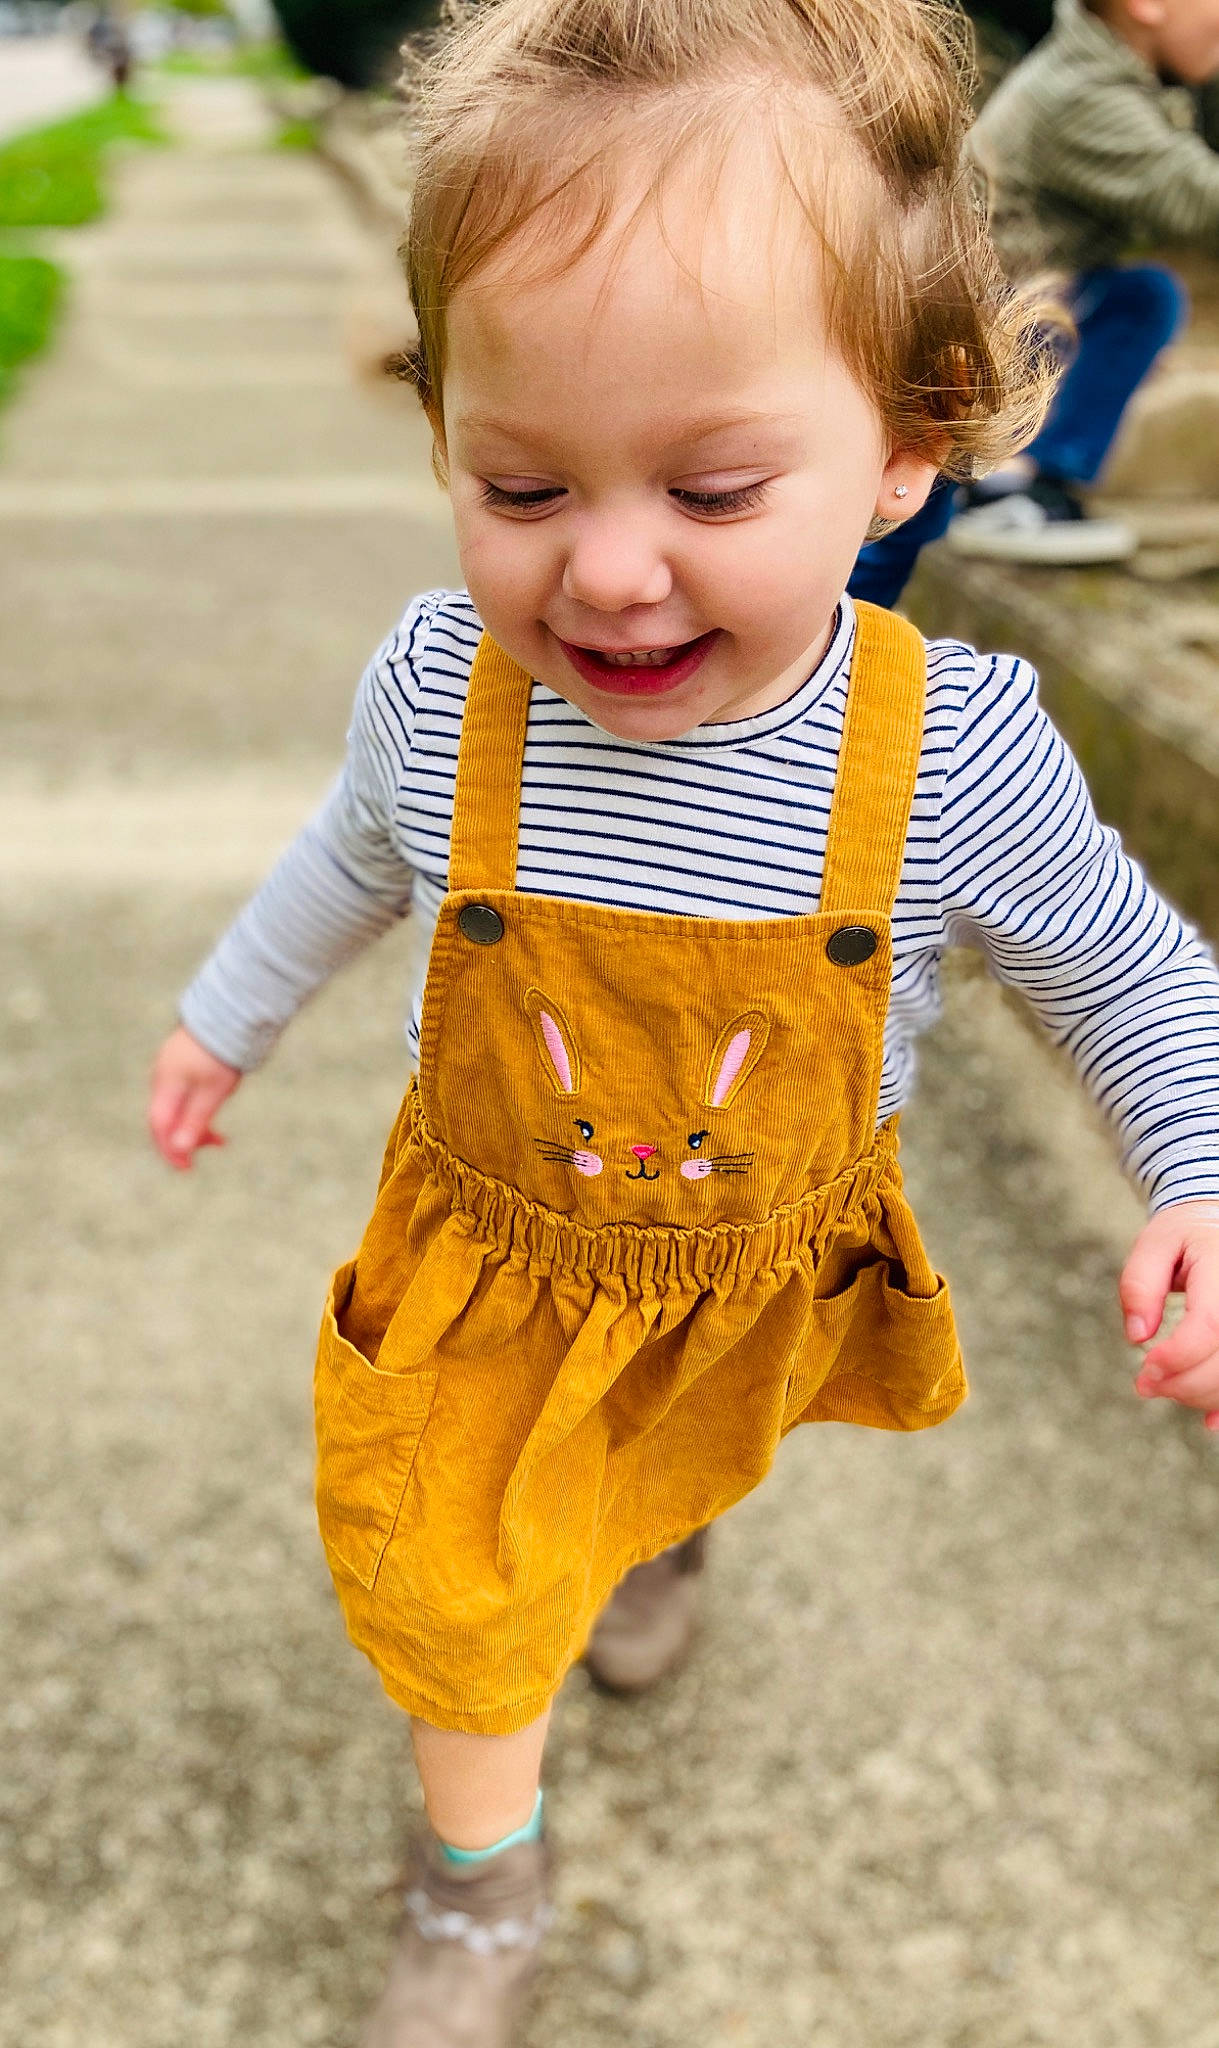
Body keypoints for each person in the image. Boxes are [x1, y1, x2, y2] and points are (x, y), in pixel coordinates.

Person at [147, 2, 1219, 2042]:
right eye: (522, 482)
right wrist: (225, 1015)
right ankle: (481, 1870)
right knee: (458, 1598)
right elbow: (349, 859)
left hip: (747, 1267)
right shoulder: (439, 688)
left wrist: (1201, 1171)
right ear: (446, 421)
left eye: (715, 488)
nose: (611, 572)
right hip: (477, 1262)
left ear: (912, 440)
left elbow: (1133, 968)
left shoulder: (948, 761)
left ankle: (660, 1533)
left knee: (664, 1457)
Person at [849, 0, 1219, 606]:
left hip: (1012, 312)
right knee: (893, 526)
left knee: (1140, 297)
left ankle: (1032, 483)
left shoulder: (1107, 73)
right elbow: (1200, 201)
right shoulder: (1084, 96)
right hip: (961, 330)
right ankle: (1005, 497)